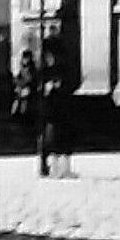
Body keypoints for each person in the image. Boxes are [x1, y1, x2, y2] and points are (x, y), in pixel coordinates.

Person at [41, 45, 76, 179]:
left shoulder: (62, 71)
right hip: (52, 112)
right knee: (52, 142)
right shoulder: (46, 72)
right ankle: (54, 169)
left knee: (63, 140)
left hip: (61, 111)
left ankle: (64, 169)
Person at [11, 49, 36, 123]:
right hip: (21, 86)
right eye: (24, 58)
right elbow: (19, 76)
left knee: (24, 97)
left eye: (26, 58)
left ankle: (22, 113)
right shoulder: (22, 68)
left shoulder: (31, 69)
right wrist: (17, 82)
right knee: (17, 96)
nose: (24, 60)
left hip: (28, 88)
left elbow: (30, 80)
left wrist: (22, 84)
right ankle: (14, 113)